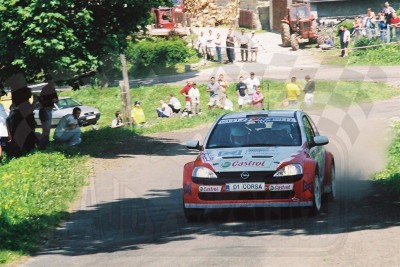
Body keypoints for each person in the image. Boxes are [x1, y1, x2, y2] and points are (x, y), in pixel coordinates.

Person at [37, 81, 58, 148]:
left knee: (47, 128)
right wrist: (52, 100)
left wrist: (54, 100)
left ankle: (46, 143)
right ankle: (43, 145)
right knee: (46, 128)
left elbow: (56, 99)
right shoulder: (47, 89)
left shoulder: (51, 89)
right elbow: (42, 100)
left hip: (48, 110)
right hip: (45, 110)